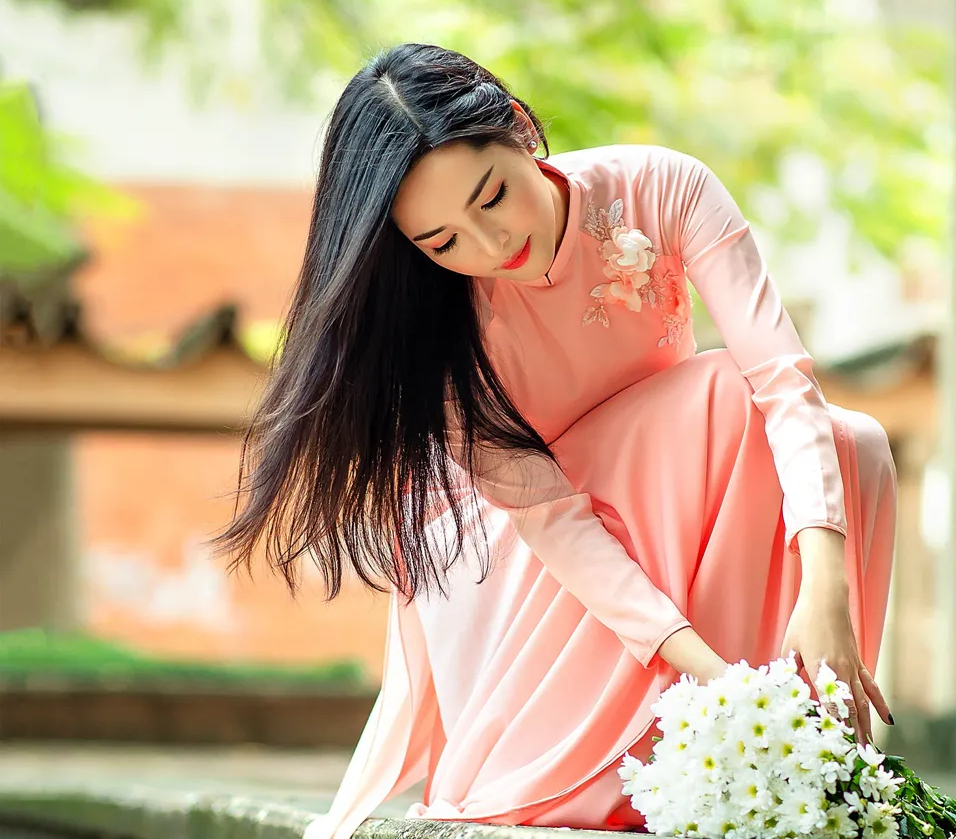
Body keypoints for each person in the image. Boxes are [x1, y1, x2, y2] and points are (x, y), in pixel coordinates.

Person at [214, 43, 897, 838]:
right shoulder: (438, 328)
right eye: (443, 242)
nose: (487, 244)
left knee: (859, 449)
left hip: (671, 482)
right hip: (524, 559)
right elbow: (556, 523)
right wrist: (723, 689)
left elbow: (784, 380)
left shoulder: (660, 187)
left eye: (492, 196)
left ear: (517, 128)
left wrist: (827, 592)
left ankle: (803, 740)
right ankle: (723, 734)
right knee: (717, 393)